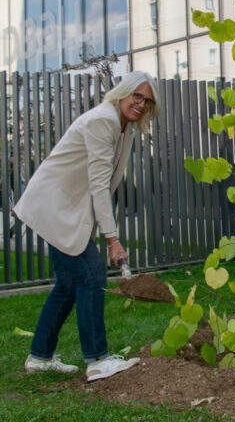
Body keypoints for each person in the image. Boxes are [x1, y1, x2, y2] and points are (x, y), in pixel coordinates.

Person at [15, 70, 161, 382]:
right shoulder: (103, 121)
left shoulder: (124, 127)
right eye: (137, 96)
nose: (141, 104)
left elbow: (102, 184)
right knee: (92, 275)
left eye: (147, 101)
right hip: (54, 206)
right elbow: (98, 184)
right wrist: (112, 240)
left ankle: (40, 357)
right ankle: (97, 359)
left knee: (69, 284)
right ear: (123, 92)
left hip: (64, 208)